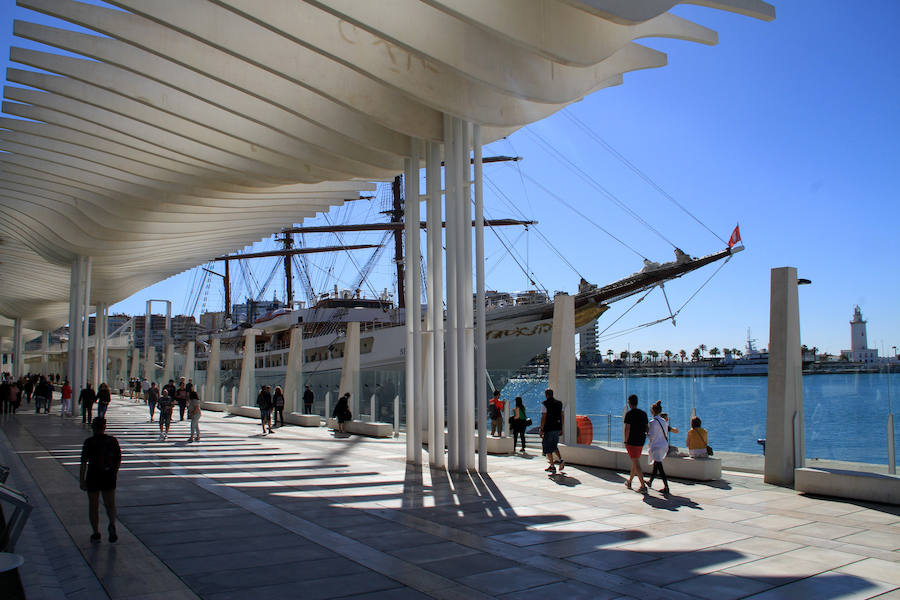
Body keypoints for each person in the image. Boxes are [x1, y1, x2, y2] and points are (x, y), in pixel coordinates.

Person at [79, 417, 121, 543]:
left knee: (93, 505)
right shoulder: (112, 441)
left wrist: (82, 479)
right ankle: (112, 523)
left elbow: (83, 463)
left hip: (93, 475)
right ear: (104, 427)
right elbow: (118, 459)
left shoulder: (89, 442)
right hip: (108, 476)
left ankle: (96, 532)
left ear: (93, 427)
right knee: (110, 504)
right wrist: (114, 473)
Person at [623, 394, 649, 492]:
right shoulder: (643, 413)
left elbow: (627, 429)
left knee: (636, 462)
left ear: (629, 402)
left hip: (631, 441)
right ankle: (629, 481)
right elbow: (647, 427)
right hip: (641, 440)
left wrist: (626, 440)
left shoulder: (629, 414)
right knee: (635, 461)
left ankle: (643, 486)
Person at [646, 401, 670, 494]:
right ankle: (650, 481)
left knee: (660, 467)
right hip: (664, 445)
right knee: (656, 464)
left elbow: (651, 435)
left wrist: (646, 433)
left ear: (652, 411)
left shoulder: (652, 422)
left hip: (656, 447)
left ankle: (666, 486)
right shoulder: (664, 421)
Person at [539, 389, 565, 474]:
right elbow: (562, 416)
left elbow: (543, 417)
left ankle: (552, 466)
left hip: (549, 428)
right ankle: (561, 460)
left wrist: (541, 429)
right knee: (554, 445)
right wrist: (561, 428)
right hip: (557, 428)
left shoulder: (544, 404)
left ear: (546, 395)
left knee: (547, 447)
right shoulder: (559, 403)